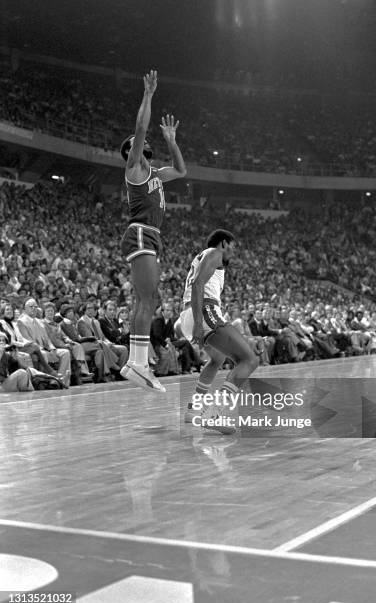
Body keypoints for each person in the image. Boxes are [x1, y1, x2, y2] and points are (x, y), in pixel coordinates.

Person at [119, 69, 186, 392]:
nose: (142, 143)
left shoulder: (156, 172)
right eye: (136, 144)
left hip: (151, 236)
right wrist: (148, 95)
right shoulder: (134, 169)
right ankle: (138, 363)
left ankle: (137, 362)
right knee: (147, 298)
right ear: (131, 151)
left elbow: (181, 169)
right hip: (141, 232)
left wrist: (172, 142)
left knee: (148, 299)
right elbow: (141, 127)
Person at [180, 229, 259, 434]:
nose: (234, 251)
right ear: (224, 243)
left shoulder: (206, 258)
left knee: (217, 359)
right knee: (249, 360)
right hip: (204, 311)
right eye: (233, 246)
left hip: (192, 312)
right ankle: (213, 413)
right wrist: (198, 323)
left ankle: (194, 409)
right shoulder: (214, 253)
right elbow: (198, 285)